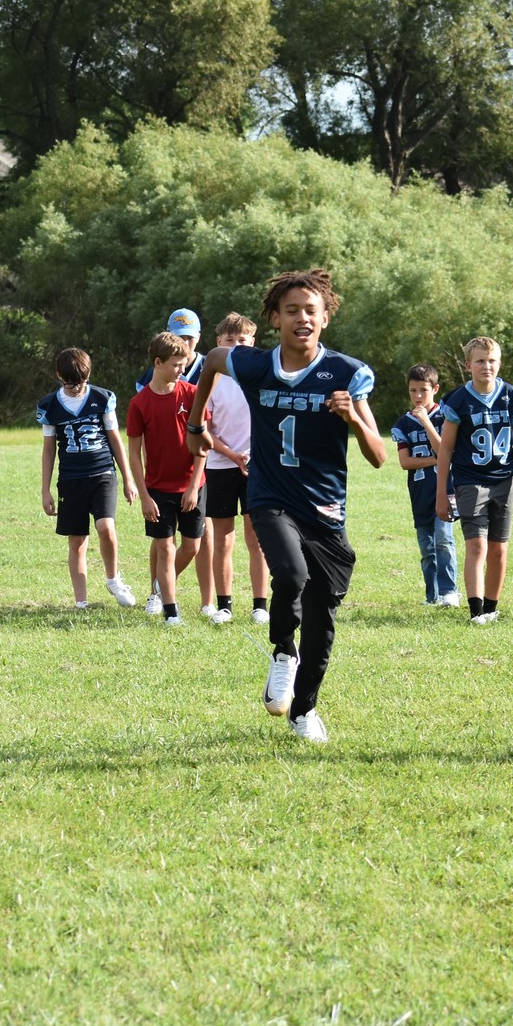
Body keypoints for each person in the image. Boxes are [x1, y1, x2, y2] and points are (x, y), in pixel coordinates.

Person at [187, 269, 386, 743]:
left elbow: (379, 456)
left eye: (311, 310)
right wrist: (196, 425)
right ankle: (282, 651)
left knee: (322, 623)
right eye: (291, 310)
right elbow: (212, 359)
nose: (302, 318)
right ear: (275, 319)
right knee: (291, 575)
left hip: (325, 510)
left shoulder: (347, 373)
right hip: (271, 497)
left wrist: (354, 418)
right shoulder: (256, 365)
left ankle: (304, 710)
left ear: (325, 318)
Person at [37, 347, 141, 609]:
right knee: (77, 540)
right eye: (70, 384)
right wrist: (45, 490)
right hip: (71, 478)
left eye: (80, 383)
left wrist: (128, 479)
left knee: (106, 527)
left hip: (102, 472)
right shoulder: (49, 405)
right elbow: (49, 449)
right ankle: (81, 601)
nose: (76, 389)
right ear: (58, 376)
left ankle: (113, 579)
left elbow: (115, 440)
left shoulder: (101, 398)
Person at [435, 337, 513, 623]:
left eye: (491, 361)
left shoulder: (511, 396)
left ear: (499, 363)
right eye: (480, 361)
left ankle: (491, 608)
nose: (486, 366)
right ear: (468, 365)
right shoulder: (458, 400)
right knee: (477, 546)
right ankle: (476, 611)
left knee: (499, 549)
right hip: (470, 481)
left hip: (504, 480)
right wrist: (442, 492)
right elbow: (446, 448)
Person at [127, 333, 208, 624]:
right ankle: (171, 612)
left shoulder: (192, 394)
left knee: (192, 546)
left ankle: (162, 585)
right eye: (175, 365)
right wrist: (144, 496)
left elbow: (202, 446)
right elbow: (134, 454)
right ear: (157, 363)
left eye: (184, 364)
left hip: (192, 485)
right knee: (164, 547)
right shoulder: (139, 404)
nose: (181, 370)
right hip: (158, 489)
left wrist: (193, 487)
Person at [200, 313, 270, 624]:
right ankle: (224, 605)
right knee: (223, 539)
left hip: (257, 467)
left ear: (252, 343)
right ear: (219, 343)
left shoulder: (262, 378)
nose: (236, 346)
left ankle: (260, 606)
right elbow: (203, 428)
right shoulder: (212, 381)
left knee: (256, 538)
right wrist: (232, 454)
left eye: (242, 340)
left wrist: (254, 456)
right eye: (230, 341)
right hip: (220, 466)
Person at [391, 365, 459, 608]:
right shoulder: (403, 424)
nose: (418, 396)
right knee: (427, 548)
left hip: (446, 489)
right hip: (420, 492)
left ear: (435, 389)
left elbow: (445, 451)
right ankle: (433, 596)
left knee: (444, 539)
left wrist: (426, 423)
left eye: (423, 390)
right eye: (413, 390)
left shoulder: (446, 416)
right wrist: (435, 460)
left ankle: (450, 591)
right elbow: (405, 462)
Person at [133, 308, 206, 392]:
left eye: (190, 338)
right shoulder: (159, 368)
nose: (185, 343)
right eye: (180, 337)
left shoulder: (209, 365)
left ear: (198, 337)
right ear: (169, 337)